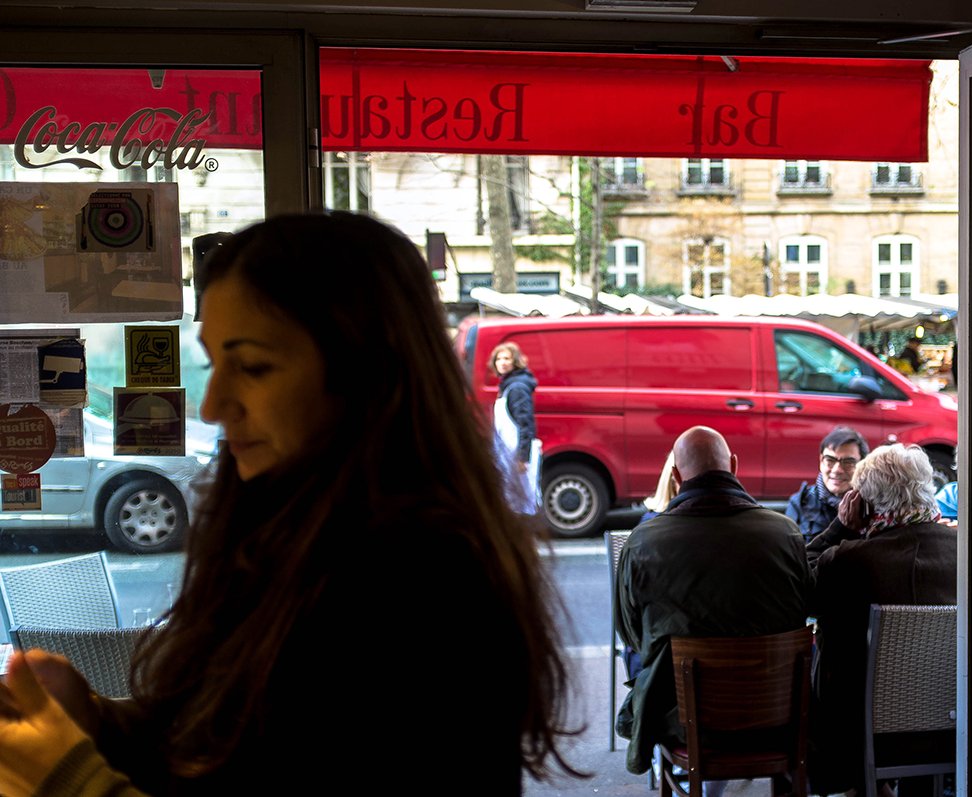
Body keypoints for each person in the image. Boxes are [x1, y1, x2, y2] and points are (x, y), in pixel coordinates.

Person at [0, 213, 575, 796]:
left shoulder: (419, 577)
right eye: (214, 364)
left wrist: (67, 777)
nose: (213, 405)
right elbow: (233, 750)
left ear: (365, 370)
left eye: (251, 366)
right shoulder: (284, 528)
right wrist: (97, 723)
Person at [615, 426, 813, 777]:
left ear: (675, 476)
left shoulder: (644, 542)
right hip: (777, 714)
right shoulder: (785, 533)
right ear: (734, 466)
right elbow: (802, 613)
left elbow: (632, 636)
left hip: (684, 720)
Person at [805, 444, 956, 796]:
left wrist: (839, 529)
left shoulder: (847, 560)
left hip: (860, 738)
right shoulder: (962, 548)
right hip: (947, 727)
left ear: (863, 504)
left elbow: (799, 588)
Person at [784, 426, 869, 543]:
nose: (837, 469)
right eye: (830, 460)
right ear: (821, 461)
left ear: (863, 465)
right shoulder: (800, 503)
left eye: (848, 462)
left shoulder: (872, 505)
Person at [490, 341, 541, 514]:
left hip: (516, 454)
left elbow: (525, 423)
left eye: (507, 358)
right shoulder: (507, 385)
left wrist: (522, 457)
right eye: (499, 358)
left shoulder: (517, 387)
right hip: (508, 453)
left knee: (520, 504)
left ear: (515, 361)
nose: (502, 362)